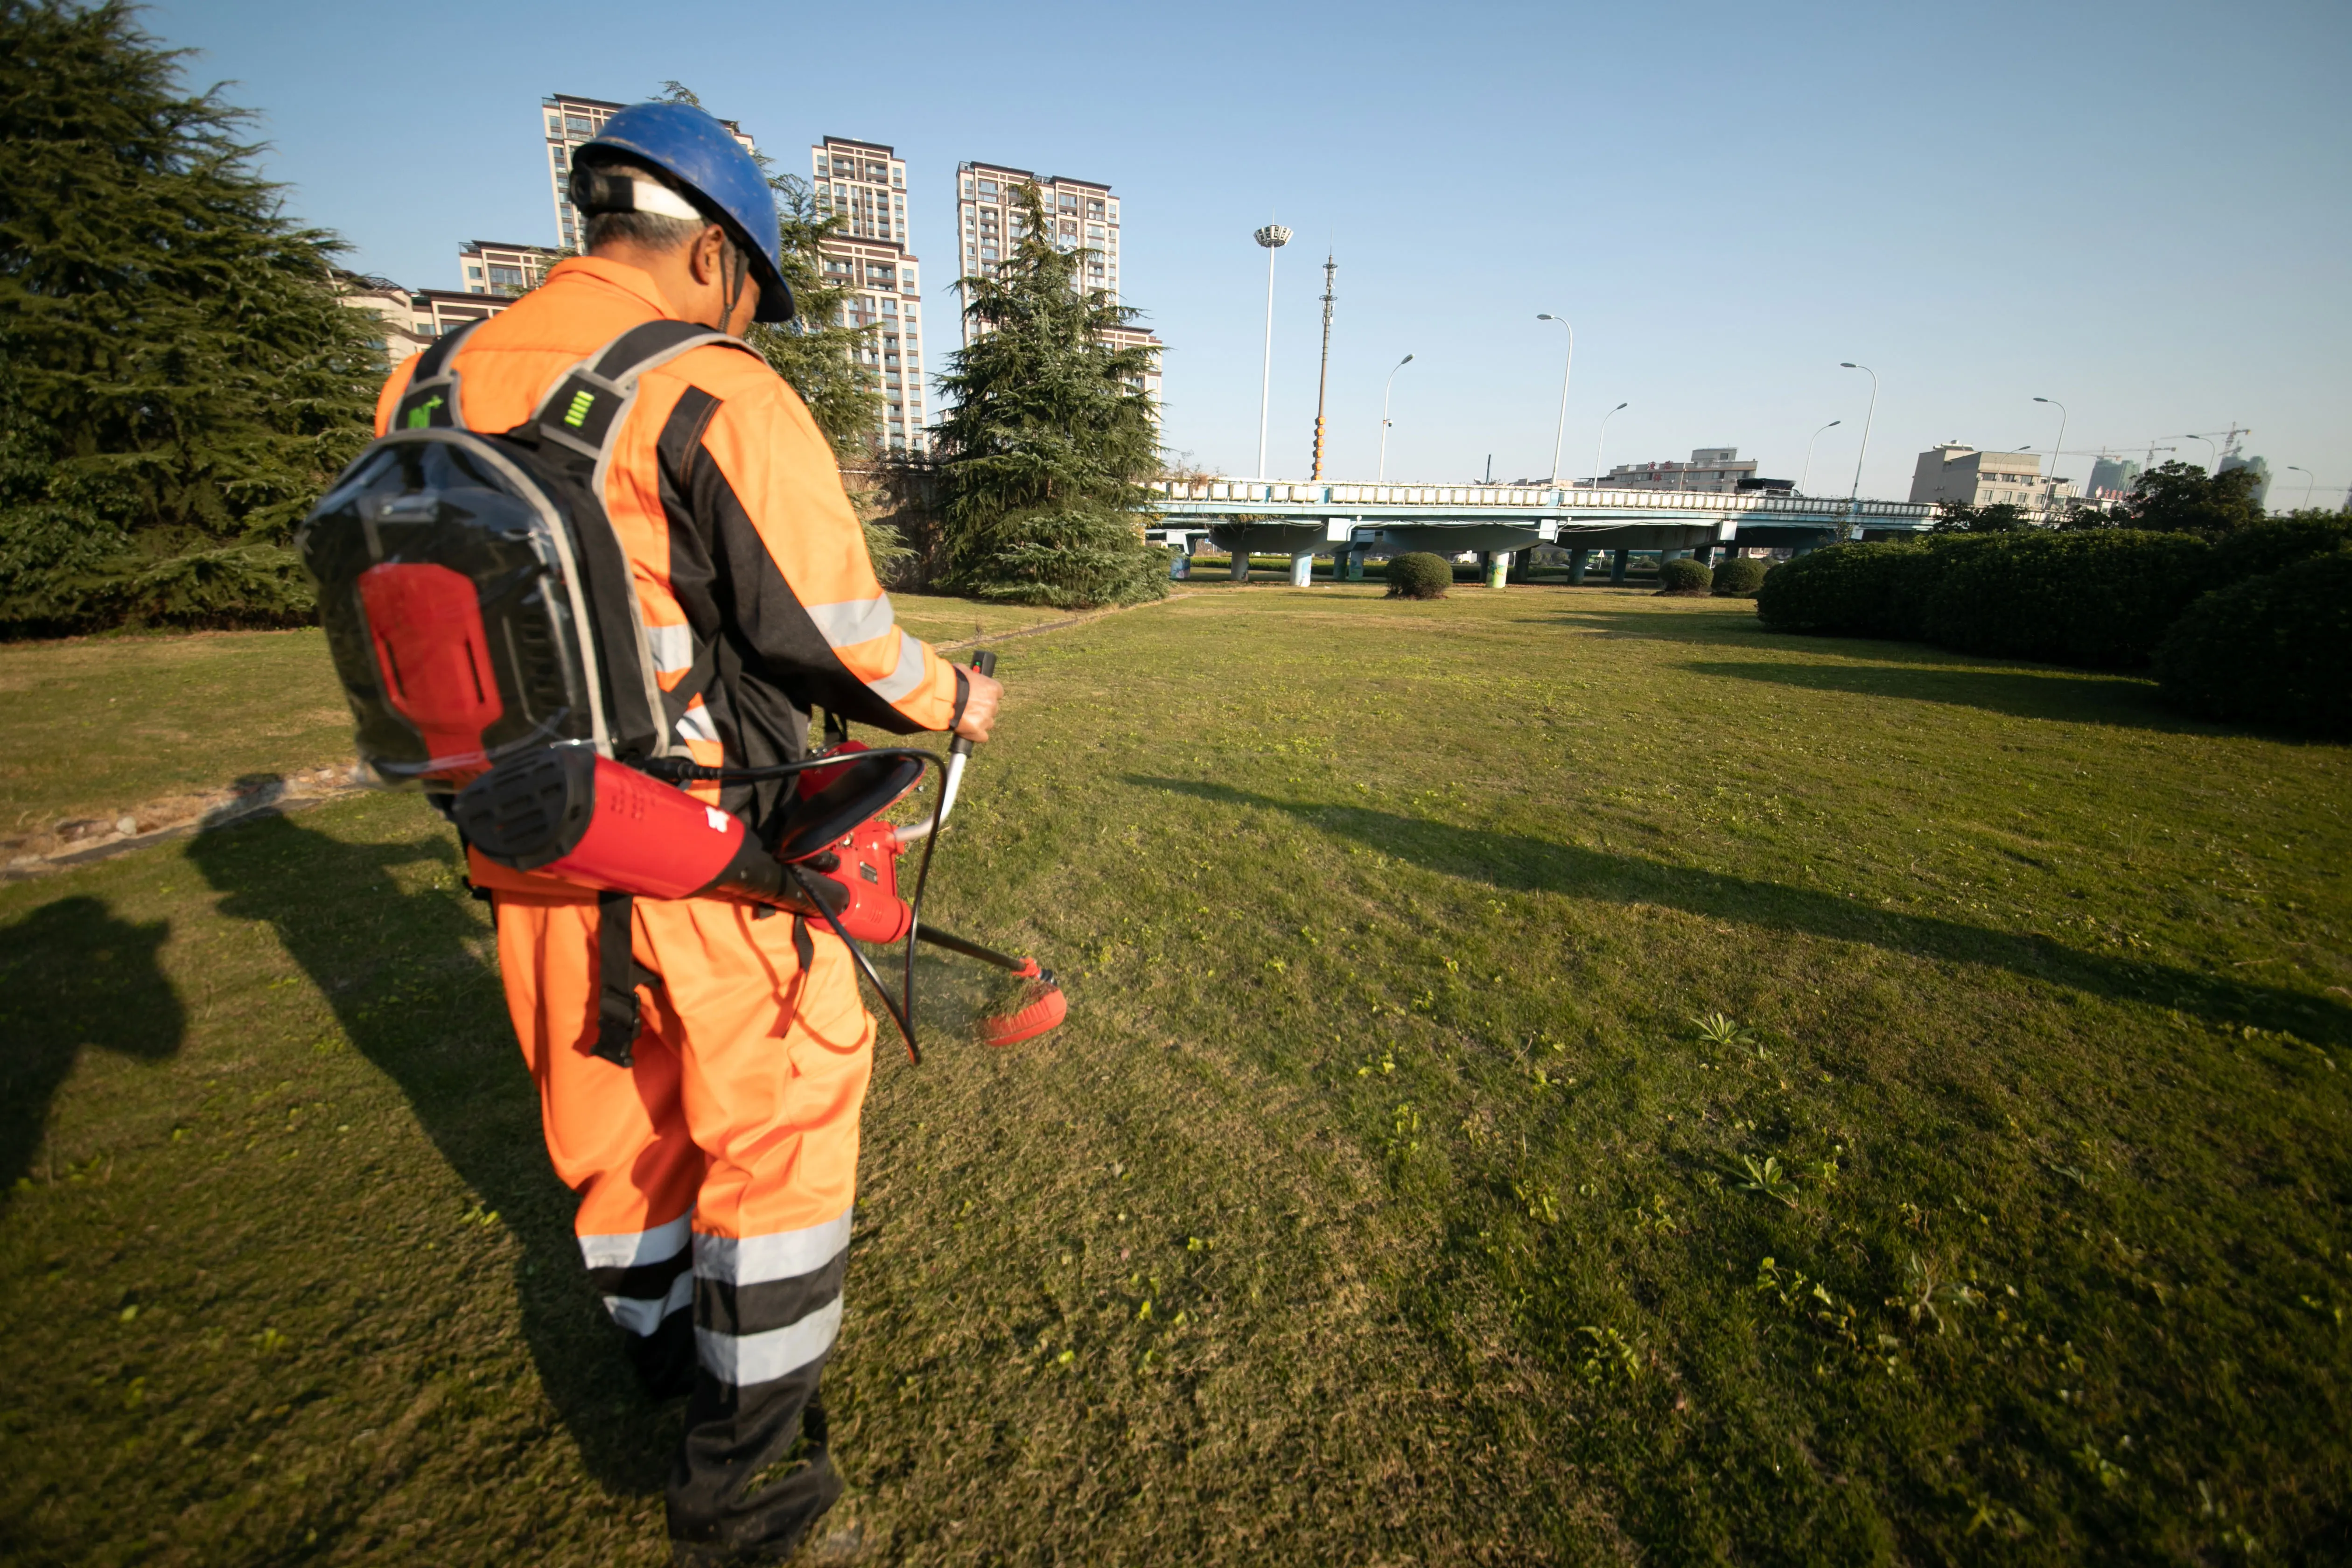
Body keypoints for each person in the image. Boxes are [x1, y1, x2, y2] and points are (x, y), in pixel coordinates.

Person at [368, 102, 1001, 1565]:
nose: (751, 319)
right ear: (714, 253)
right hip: (709, 862)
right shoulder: (711, 388)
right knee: (774, 1150)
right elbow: (835, 638)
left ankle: (666, 1365)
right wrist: (955, 698)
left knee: (619, 1137)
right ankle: (748, 1487)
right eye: (754, 292)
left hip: (525, 852)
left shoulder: (423, 383)